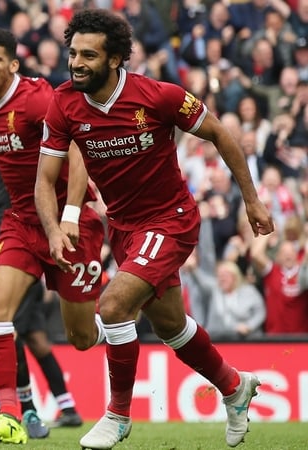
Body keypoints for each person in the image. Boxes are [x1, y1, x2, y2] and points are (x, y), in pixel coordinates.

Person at [36, 9, 275, 449]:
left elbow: (221, 134)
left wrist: (252, 199)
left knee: (112, 306)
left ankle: (117, 415)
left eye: (88, 55)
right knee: (170, 327)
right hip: (124, 229)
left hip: (171, 220)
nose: (76, 63)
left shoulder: (158, 96)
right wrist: (54, 227)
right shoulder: (63, 103)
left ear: (114, 60)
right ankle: (233, 386)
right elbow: (44, 178)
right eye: (72, 53)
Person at [0, 29, 106, 445]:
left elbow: (77, 149)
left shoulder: (37, 99)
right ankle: (9, 415)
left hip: (70, 222)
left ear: (13, 65)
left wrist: (69, 215)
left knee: (81, 338)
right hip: (20, 221)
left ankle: (116, 326)